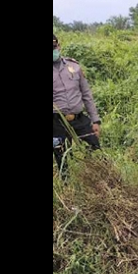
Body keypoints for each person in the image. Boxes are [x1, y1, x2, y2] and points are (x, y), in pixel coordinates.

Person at [52, 33, 102, 175]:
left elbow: (87, 95)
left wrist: (95, 120)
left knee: (95, 147)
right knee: (62, 159)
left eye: (54, 47)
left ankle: (98, 180)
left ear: (58, 46)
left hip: (79, 119)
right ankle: (67, 190)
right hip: (57, 122)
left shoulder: (74, 66)